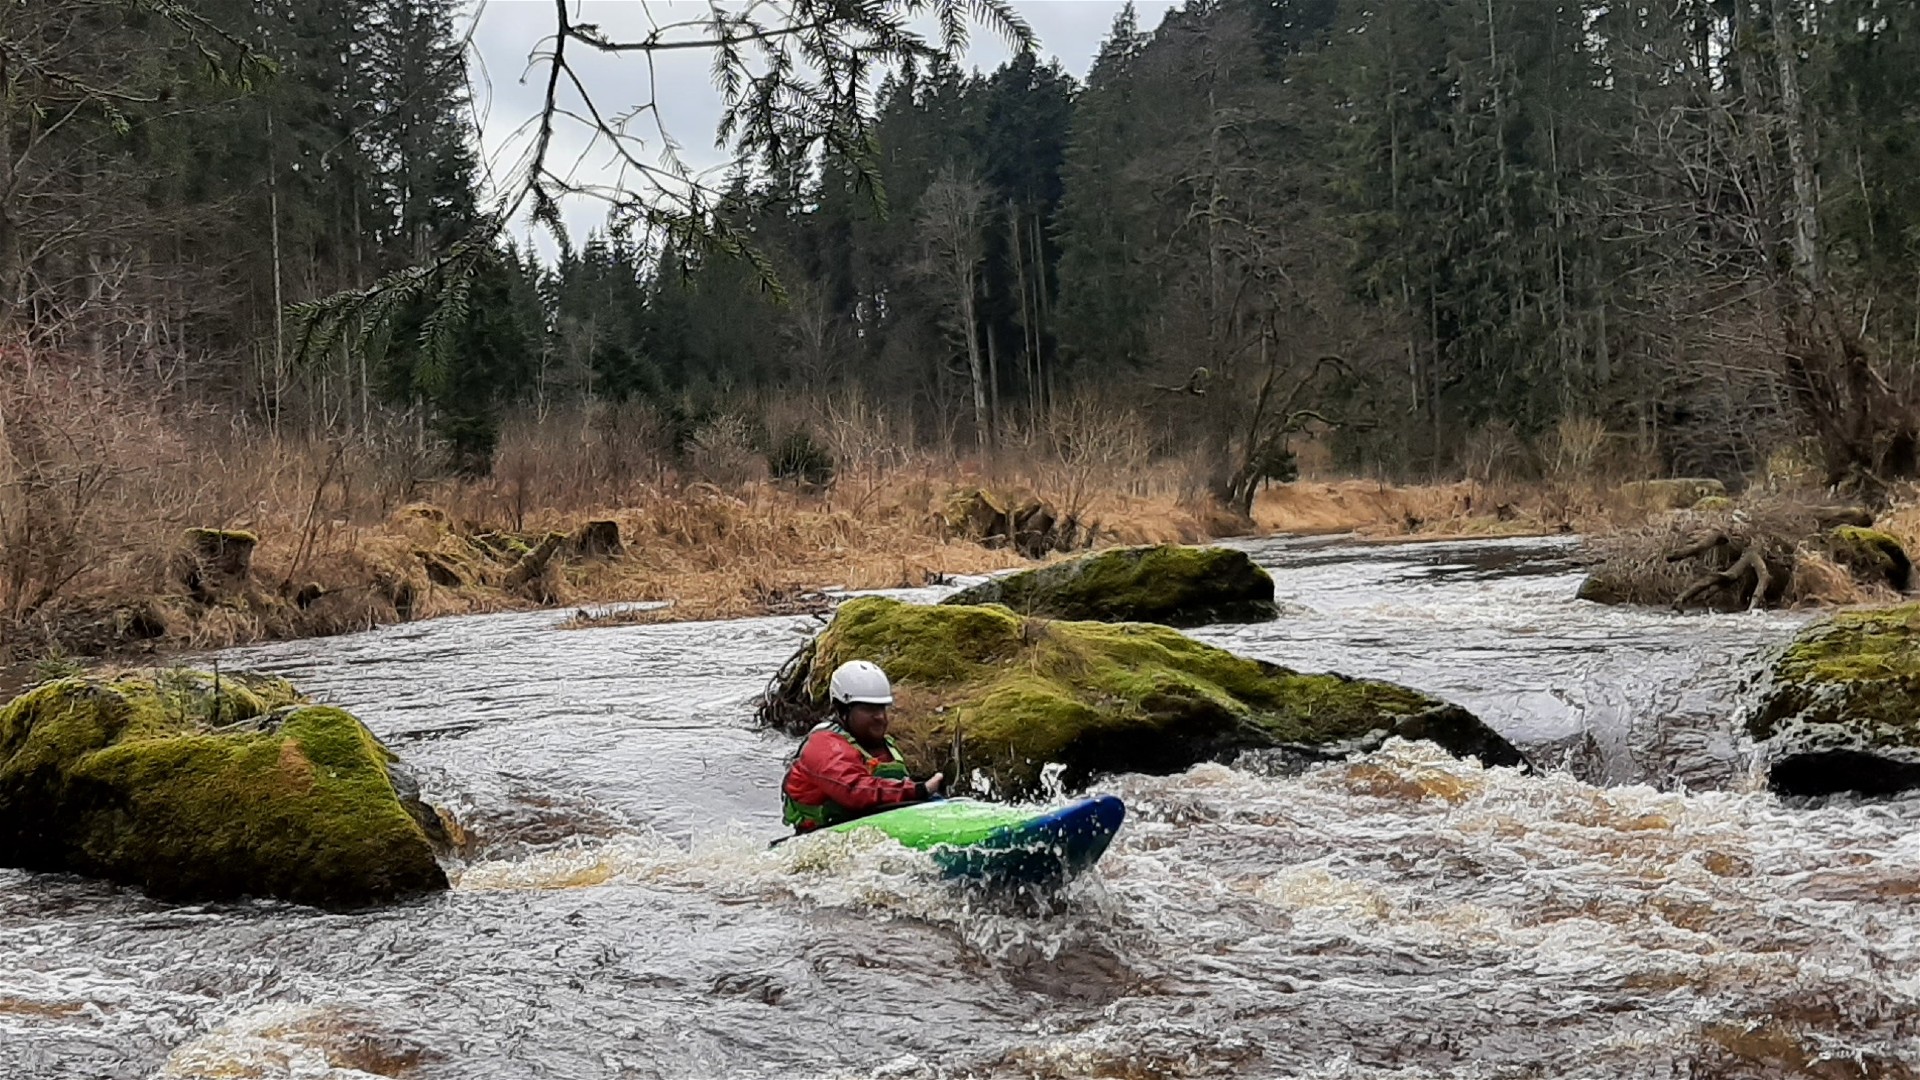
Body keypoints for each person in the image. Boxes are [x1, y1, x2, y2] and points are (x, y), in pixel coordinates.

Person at [782, 660, 945, 833]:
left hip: (873, 826)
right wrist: (919, 790)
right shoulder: (824, 746)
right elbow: (854, 790)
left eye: (882, 708)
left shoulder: (882, 744)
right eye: (869, 709)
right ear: (842, 709)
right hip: (822, 835)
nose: (880, 717)